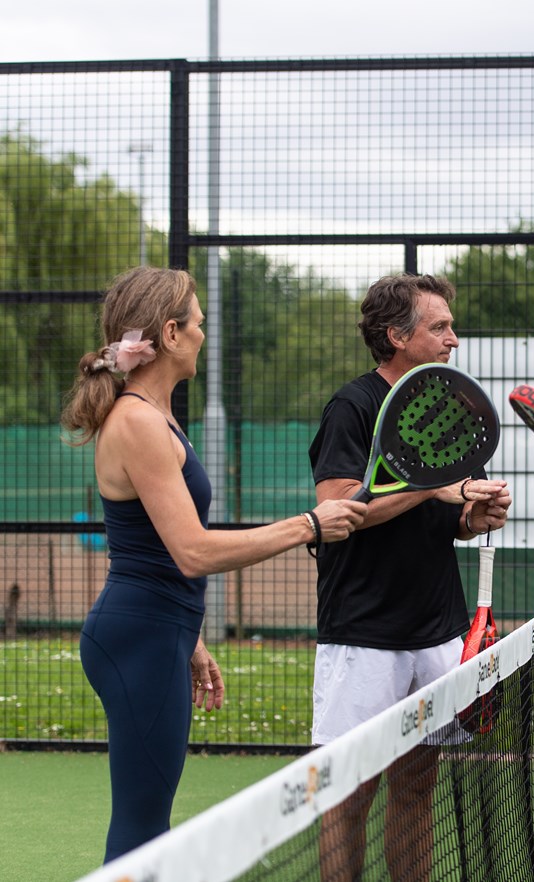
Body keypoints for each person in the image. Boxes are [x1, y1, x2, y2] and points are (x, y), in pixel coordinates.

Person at [61, 266, 366, 863]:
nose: (204, 334)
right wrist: (310, 524)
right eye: (197, 323)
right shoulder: (140, 422)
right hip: (138, 638)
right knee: (142, 826)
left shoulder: (157, 417)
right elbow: (193, 550)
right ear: (170, 334)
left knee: (150, 818)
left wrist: (192, 638)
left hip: (157, 633)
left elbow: (153, 549)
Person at [308, 273, 511, 882]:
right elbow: (339, 511)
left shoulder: (447, 410)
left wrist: (472, 517)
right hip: (364, 636)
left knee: (417, 790)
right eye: (439, 326)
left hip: (437, 631)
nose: (455, 337)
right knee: (347, 800)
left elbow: (440, 517)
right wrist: (433, 486)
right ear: (397, 336)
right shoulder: (353, 406)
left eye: (451, 326)